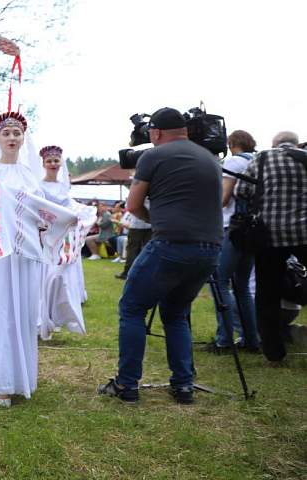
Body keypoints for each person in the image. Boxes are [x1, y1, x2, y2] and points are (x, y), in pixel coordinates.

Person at [98, 107, 222, 405]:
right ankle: (183, 385)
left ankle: (127, 384)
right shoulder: (210, 158)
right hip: (210, 248)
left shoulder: (153, 156)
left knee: (132, 308)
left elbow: (132, 205)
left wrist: (155, 219)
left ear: (155, 133)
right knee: (177, 315)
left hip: (171, 244)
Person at [0, 111, 45, 406]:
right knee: (1, 308)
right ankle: (2, 380)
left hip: (25, 253)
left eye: (17, 133)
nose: (12, 138)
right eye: (7, 133)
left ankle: (21, 376)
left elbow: (40, 212)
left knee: (23, 311)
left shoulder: (31, 175)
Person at [234, 130, 307, 365]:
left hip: (269, 235)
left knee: (268, 294)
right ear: (295, 144)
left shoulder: (263, 158)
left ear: (274, 144)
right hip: (305, 231)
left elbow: (241, 191)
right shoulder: (304, 157)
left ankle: (274, 354)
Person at [209, 130, 259, 353]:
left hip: (232, 227)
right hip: (252, 229)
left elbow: (224, 198)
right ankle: (251, 338)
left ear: (231, 144)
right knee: (242, 287)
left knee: (219, 282)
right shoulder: (257, 161)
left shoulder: (233, 162)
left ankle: (225, 339)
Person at [38, 145, 88, 339]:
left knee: (60, 278)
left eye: (55, 160)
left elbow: (70, 208)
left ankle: (57, 316)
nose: (52, 164)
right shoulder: (39, 186)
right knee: (46, 278)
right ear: (43, 164)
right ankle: (43, 318)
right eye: (49, 161)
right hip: (46, 236)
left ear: (60, 163)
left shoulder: (64, 186)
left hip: (64, 239)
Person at [115, 202, 152, 280]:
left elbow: (129, 206)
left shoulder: (139, 190)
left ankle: (127, 273)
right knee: (148, 250)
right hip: (150, 225)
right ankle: (146, 273)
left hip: (136, 225)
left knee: (132, 250)